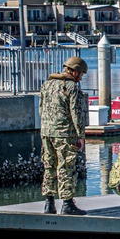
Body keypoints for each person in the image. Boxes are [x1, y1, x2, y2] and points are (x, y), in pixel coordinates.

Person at [39, 56, 88, 215]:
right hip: (64, 134)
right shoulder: (71, 87)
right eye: (81, 74)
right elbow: (77, 114)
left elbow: (41, 109)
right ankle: (67, 204)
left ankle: (49, 204)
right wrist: (80, 135)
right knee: (66, 167)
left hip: (46, 132)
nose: (81, 78)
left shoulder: (47, 84)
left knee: (49, 166)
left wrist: (46, 127)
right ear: (74, 72)